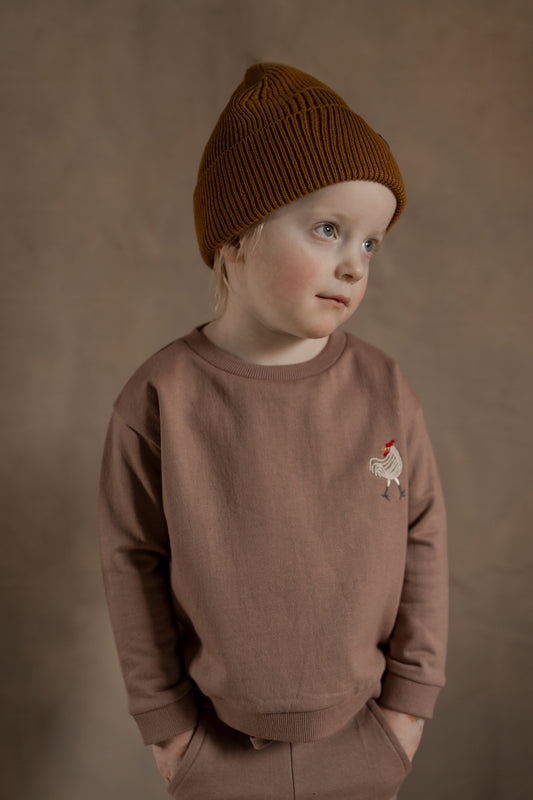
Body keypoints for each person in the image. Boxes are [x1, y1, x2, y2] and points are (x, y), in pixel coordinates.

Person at [98, 62, 448, 800]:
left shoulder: (385, 389)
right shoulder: (160, 398)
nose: (352, 265)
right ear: (235, 237)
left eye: (370, 244)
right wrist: (168, 728)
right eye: (328, 229)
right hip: (216, 749)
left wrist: (407, 711)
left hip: (365, 738)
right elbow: (132, 561)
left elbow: (422, 536)